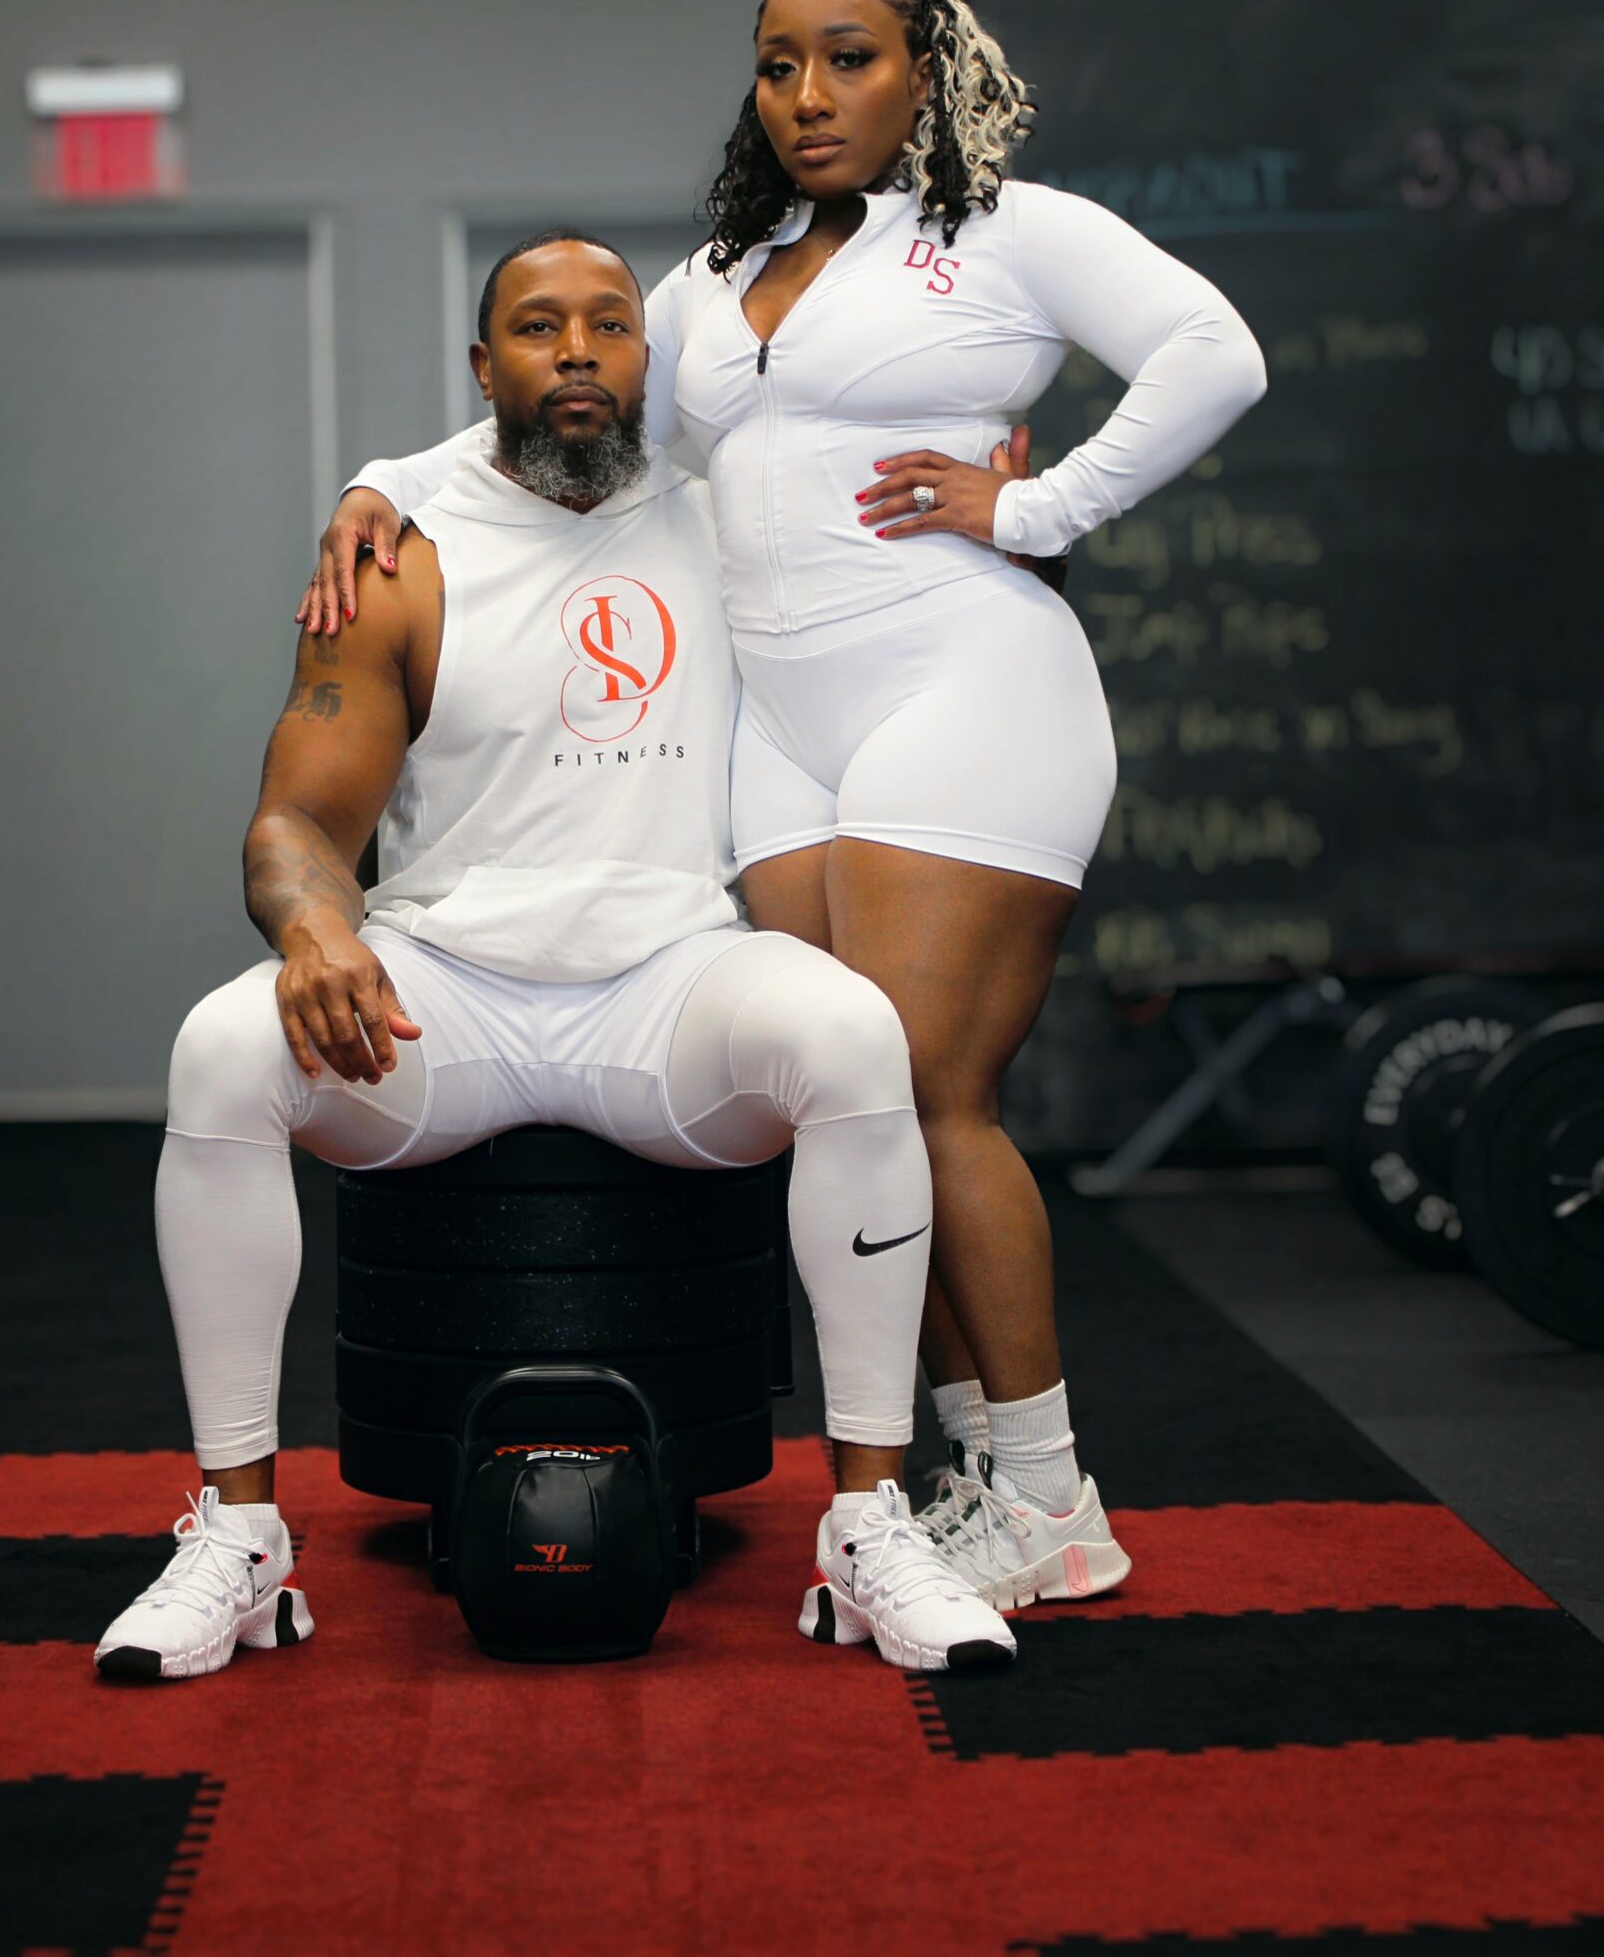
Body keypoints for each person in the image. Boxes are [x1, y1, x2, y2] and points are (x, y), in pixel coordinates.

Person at [301, 0, 1263, 1610]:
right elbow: (581, 414)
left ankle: (1053, 1495)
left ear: (923, 72)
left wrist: (1038, 511)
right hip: (784, 729)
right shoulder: (710, 282)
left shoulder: (1009, 232)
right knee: (856, 1105)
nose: (808, 96)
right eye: (776, 64)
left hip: (961, 682)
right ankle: (975, 1475)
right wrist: (378, 484)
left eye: (848, 57)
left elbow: (1214, 353)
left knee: (935, 1097)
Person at [95, 231, 1022, 1683]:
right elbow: (296, 820)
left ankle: (868, 1524)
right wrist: (319, 925)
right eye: (539, 327)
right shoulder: (400, 554)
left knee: (854, 1037)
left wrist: (1022, 502)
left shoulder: (732, 523)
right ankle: (239, 1536)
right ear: (485, 366)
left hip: (668, 989)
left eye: (609, 324)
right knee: (220, 1052)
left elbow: (927, 558)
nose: (578, 349)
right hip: (445, 998)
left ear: (650, 358)